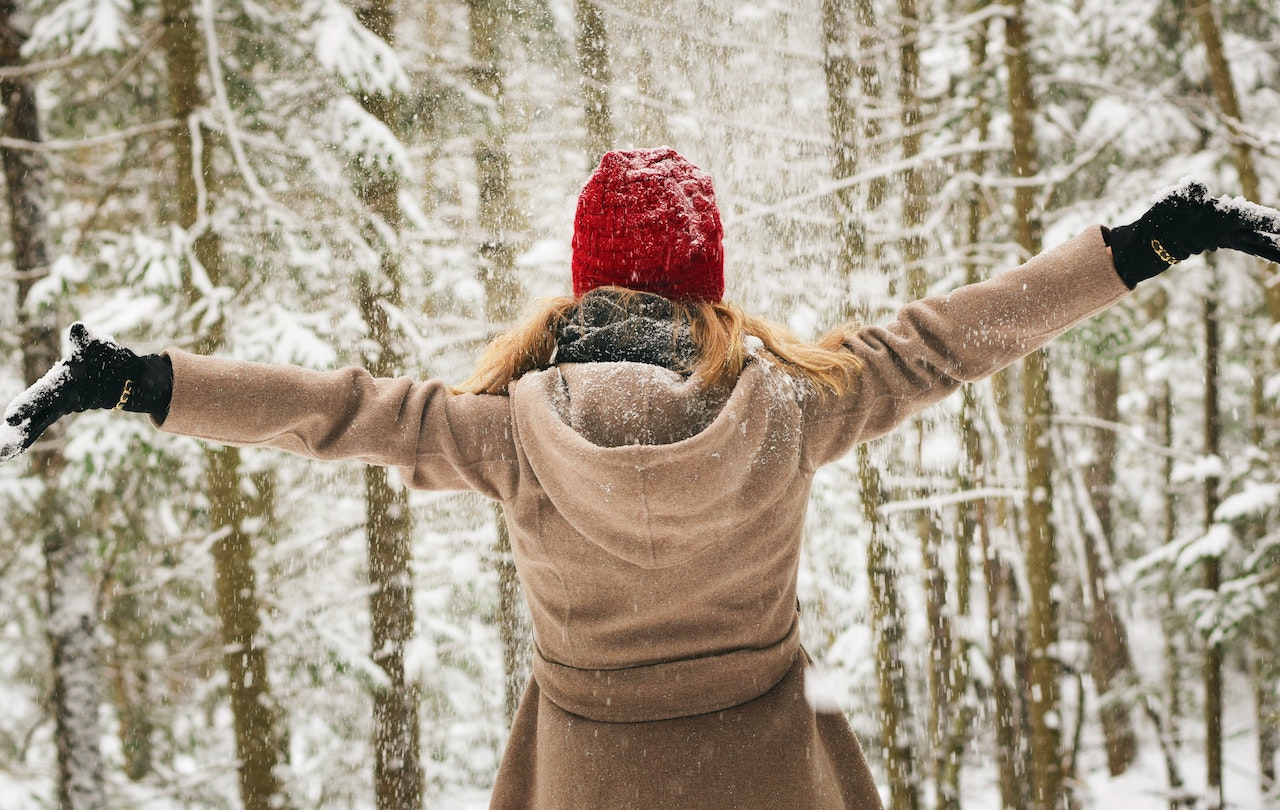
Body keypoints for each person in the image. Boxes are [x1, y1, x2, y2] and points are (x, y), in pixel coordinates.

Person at [3, 147, 1279, 809]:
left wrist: (140, 380)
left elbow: (333, 416)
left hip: (589, 783)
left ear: (582, 279)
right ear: (706, 277)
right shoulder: (793, 406)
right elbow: (956, 336)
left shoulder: (503, 433)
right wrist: (1146, 243)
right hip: (775, 779)